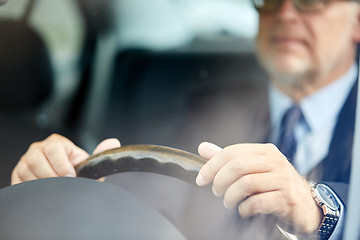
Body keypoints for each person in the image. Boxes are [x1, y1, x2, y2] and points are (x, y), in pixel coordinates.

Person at [10, 0, 360, 239]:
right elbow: (153, 202)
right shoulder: (200, 105)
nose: (284, 13)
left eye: (310, 1)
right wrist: (73, 194)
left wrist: (318, 211)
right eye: (268, 0)